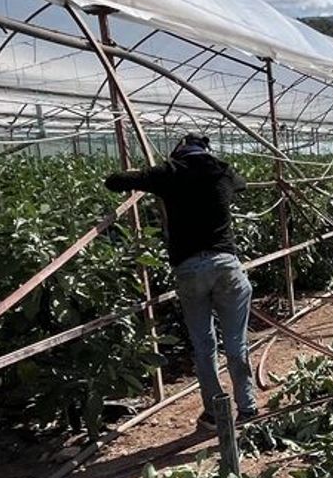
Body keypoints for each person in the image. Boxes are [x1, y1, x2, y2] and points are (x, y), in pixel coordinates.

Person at [103, 131, 257, 431]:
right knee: (236, 344)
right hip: (226, 266)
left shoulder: (168, 173)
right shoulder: (222, 171)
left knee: (204, 346)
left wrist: (149, 176)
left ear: (179, 150)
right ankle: (248, 409)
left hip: (189, 270)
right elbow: (242, 184)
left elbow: (115, 181)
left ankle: (214, 414)